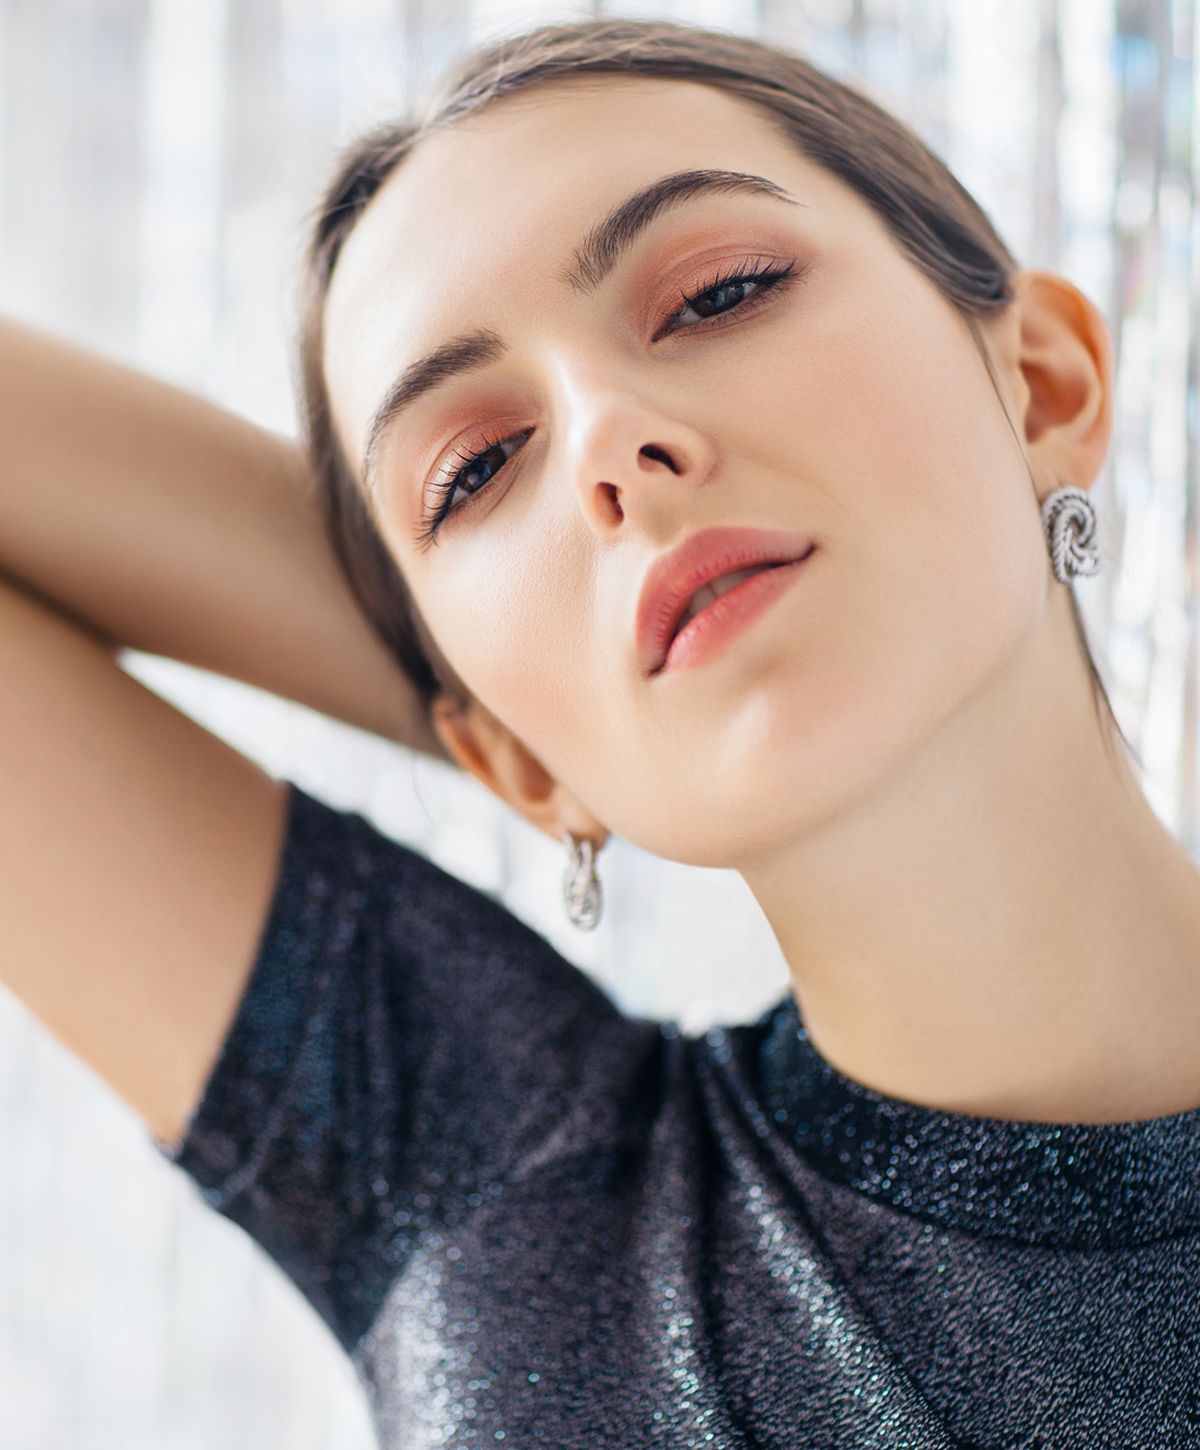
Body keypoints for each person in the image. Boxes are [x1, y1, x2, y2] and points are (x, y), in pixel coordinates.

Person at [4, 14, 1199, 1449]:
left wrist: (546, 662)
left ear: (1049, 385)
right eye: (480, 468)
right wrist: (528, 700)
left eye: (719, 293)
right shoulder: (503, 1193)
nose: (611, 440)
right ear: (505, 758)